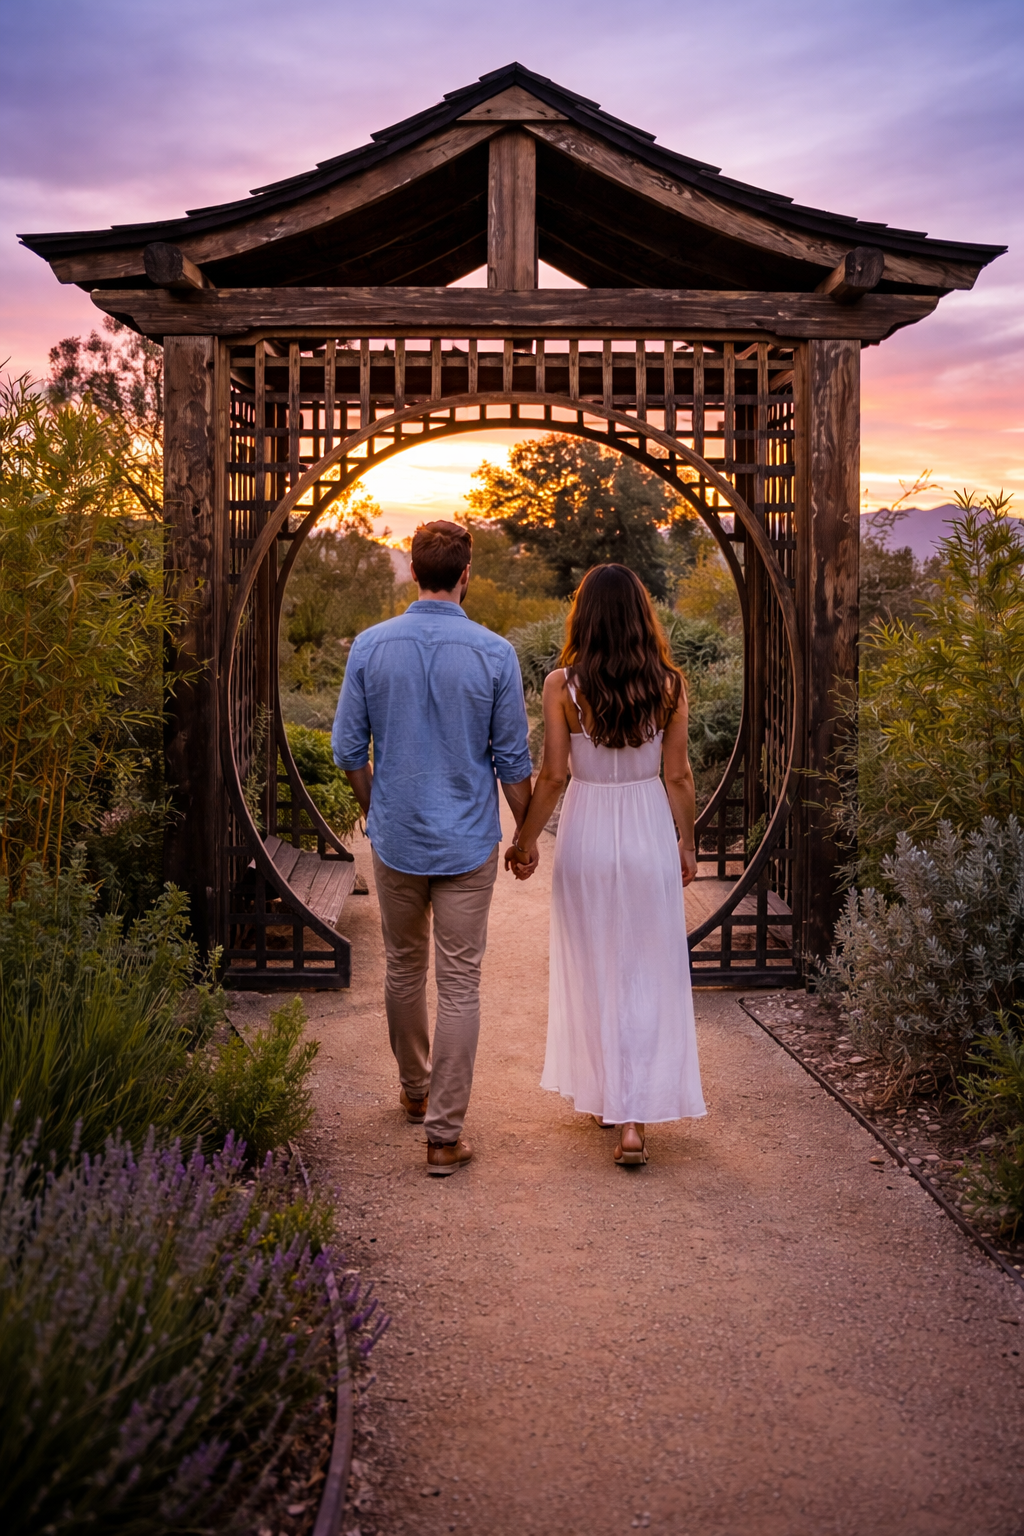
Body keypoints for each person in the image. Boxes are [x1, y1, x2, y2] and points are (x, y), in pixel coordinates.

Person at [333, 519, 534, 1176]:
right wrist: (526, 838)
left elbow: (345, 750)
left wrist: (376, 809)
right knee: (459, 985)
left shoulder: (369, 646)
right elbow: (511, 762)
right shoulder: (495, 654)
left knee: (401, 969)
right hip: (468, 844)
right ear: (467, 573)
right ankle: (444, 1137)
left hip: (397, 840)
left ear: (413, 571)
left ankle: (416, 1092)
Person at [505, 563, 705, 1165]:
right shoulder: (669, 685)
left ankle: (607, 1097)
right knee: (645, 966)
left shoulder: (561, 685)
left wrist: (525, 840)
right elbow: (678, 775)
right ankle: (633, 1120)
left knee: (595, 963)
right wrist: (687, 844)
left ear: (582, 617)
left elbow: (556, 775)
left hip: (588, 834)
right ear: (643, 615)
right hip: (646, 829)